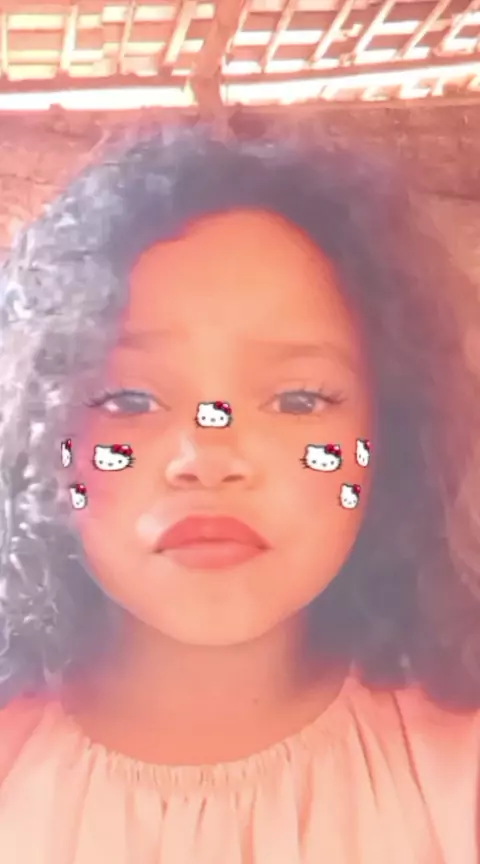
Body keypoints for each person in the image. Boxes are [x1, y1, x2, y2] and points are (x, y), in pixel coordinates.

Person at [0, 123, 479, 864]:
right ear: (38, 431)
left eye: (298, 400)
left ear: (392, 436)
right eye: (129, 399)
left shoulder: (456, 774)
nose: (208, 458)